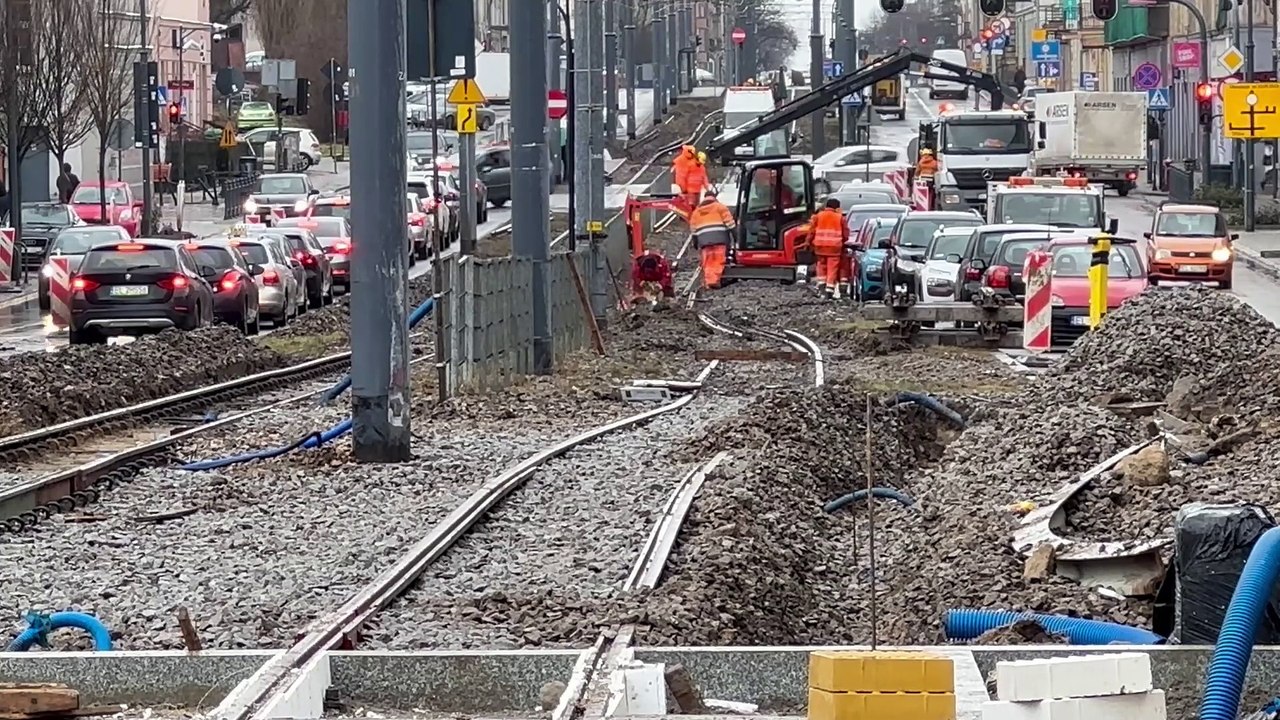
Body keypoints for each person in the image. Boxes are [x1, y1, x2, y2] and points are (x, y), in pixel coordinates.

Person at [689, 195, 736, 289]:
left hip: (704, 242)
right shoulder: (720, 207)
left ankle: (709, 282)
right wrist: (735, 235)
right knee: (718, 260)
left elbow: (693, 230)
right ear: (714, 198)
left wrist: (695, 242)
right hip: (720, 239)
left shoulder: (696, 212)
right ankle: (715, 281)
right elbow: (730, 224)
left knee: (708, 262)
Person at [808, 198, 849, 297]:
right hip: (834, 248)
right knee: (832, 267)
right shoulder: (839, 218)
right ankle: (829, 289)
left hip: (819, 246)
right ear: (837, 207)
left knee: (821, 265)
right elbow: (846, 234)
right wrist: (843, 242)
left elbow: (811, 231)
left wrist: (808, 243)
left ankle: (822, 284)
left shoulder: (818, 216)